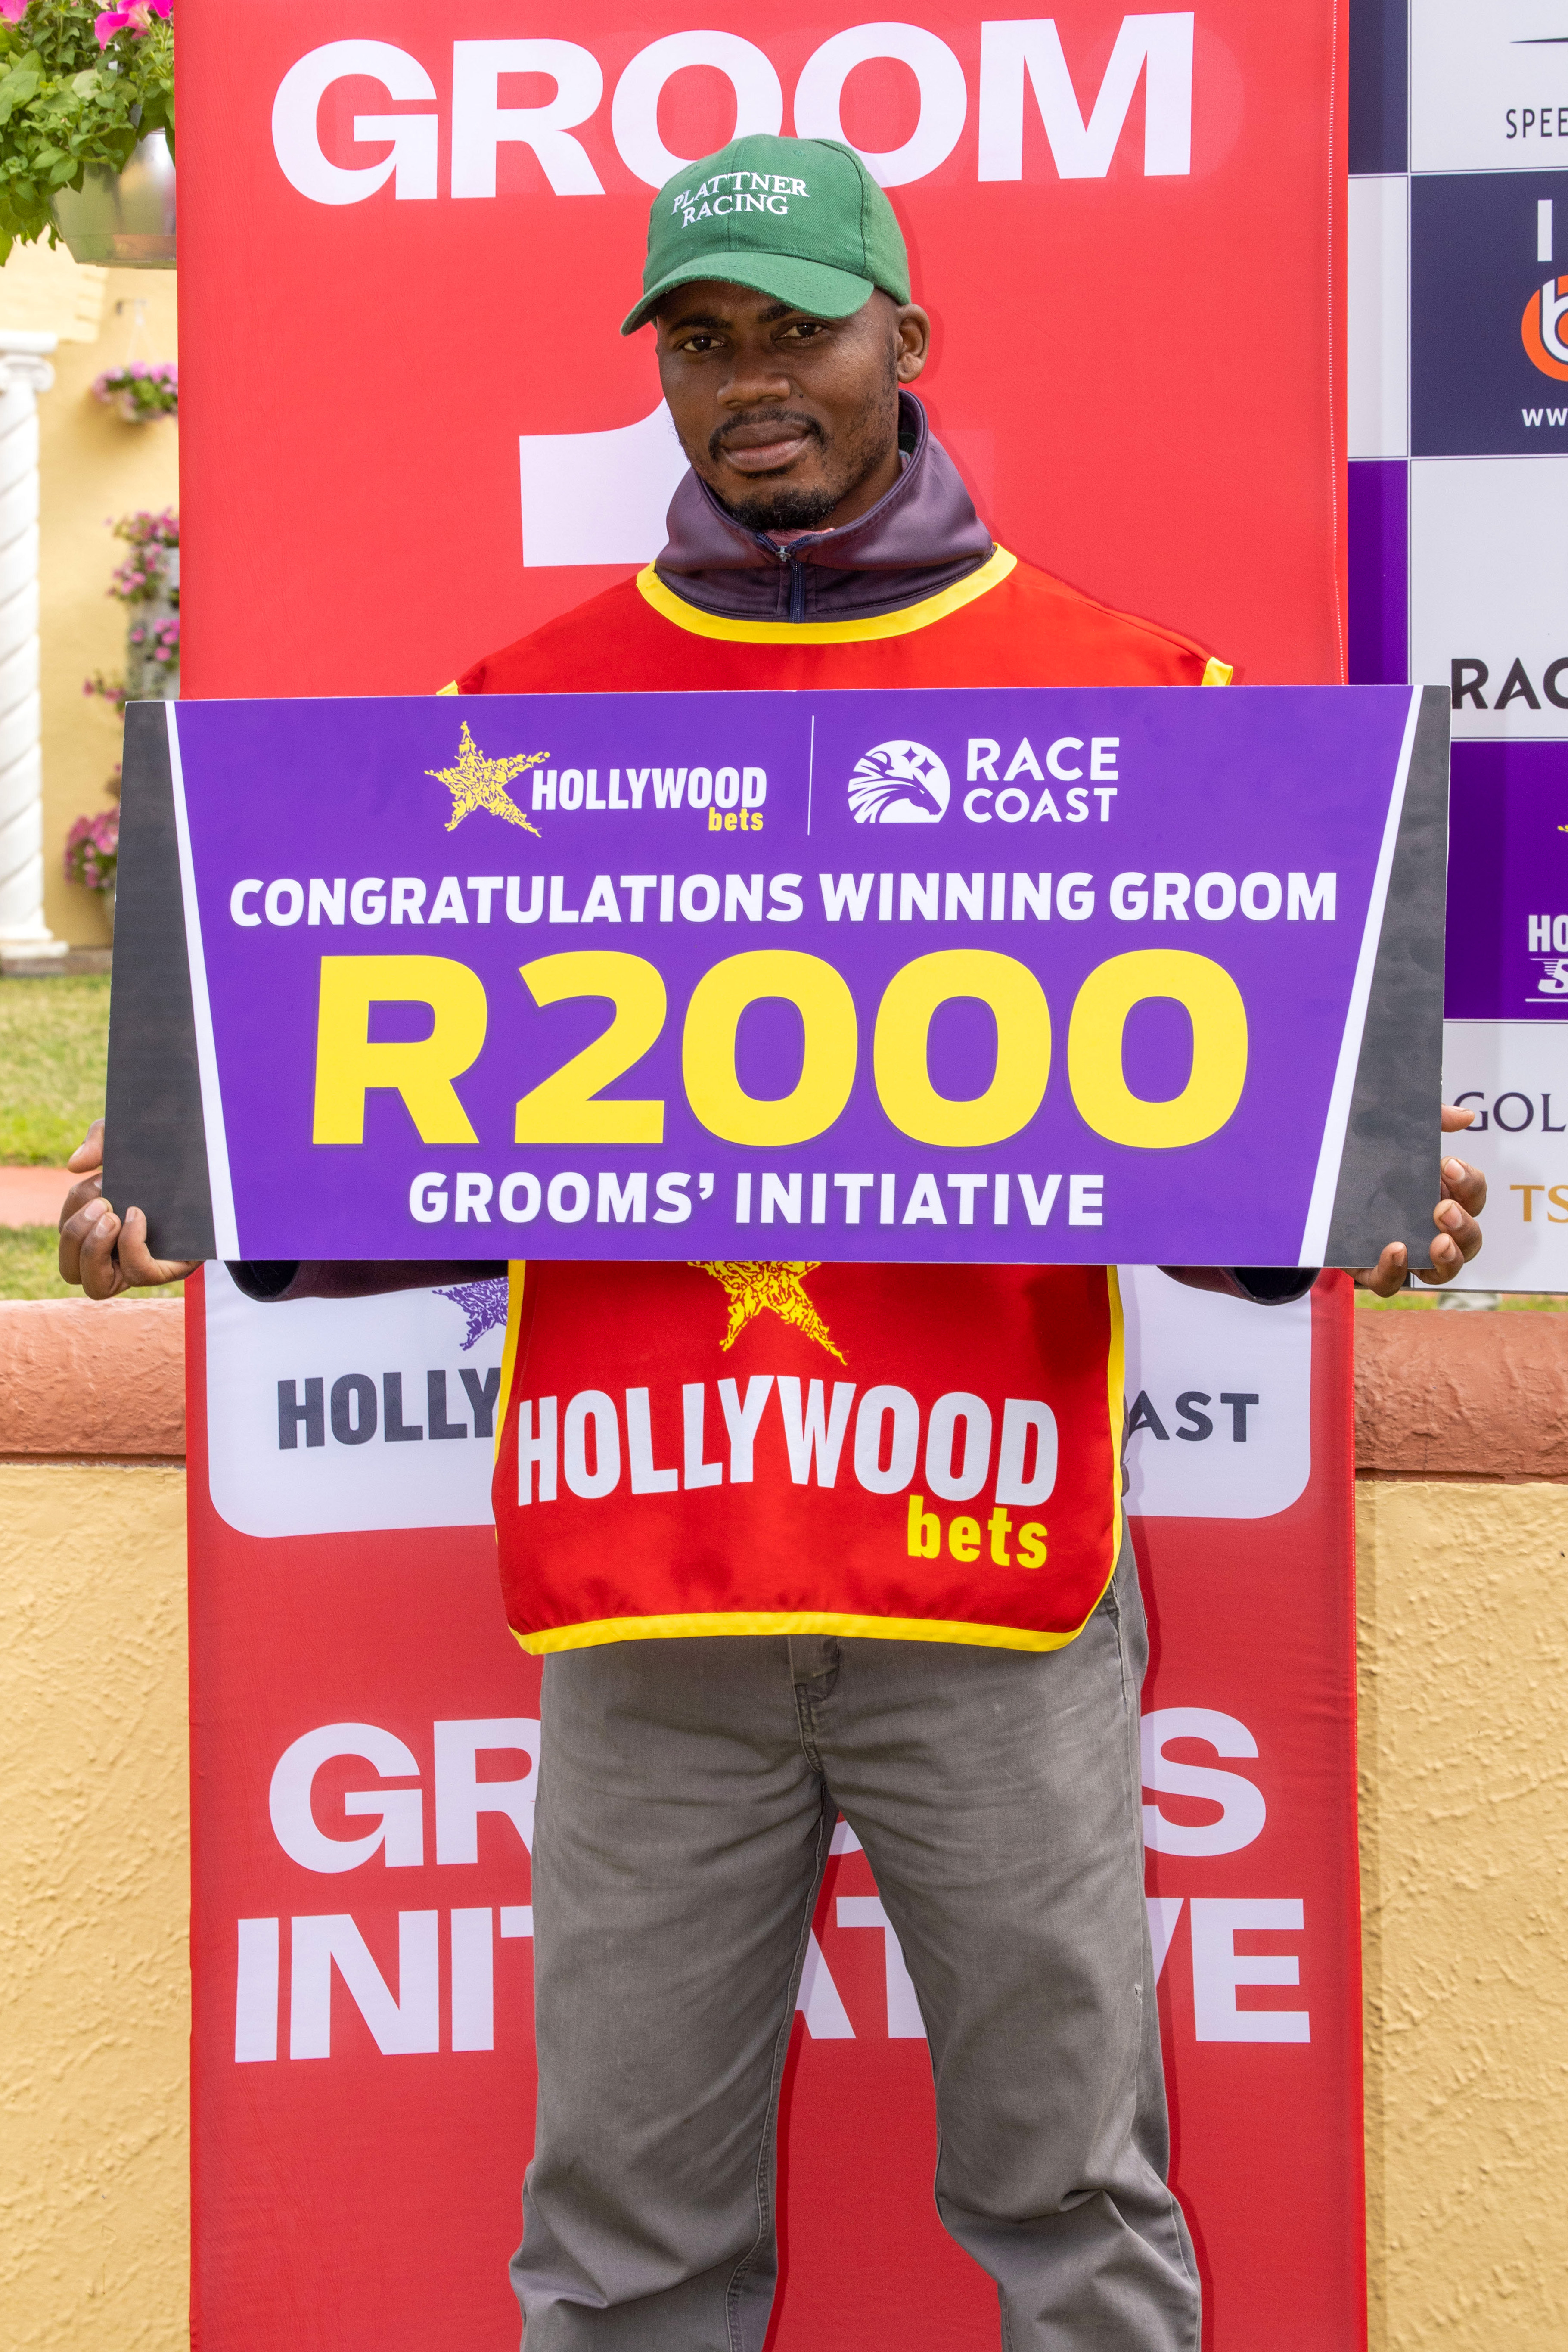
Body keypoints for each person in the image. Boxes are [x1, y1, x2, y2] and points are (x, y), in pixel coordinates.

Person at [60, 135, 1486, 2351]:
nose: (750, 381)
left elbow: (1227, 1196)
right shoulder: (511, 717)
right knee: (622, 2244)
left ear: (904, 337)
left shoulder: (1134, 697)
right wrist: (194, 1183)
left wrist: (1355, 1193)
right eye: (701, 340)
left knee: (1074, 2202)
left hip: (989, 1583)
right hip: (652, 1586)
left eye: (798, 329)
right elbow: (405, 1150)